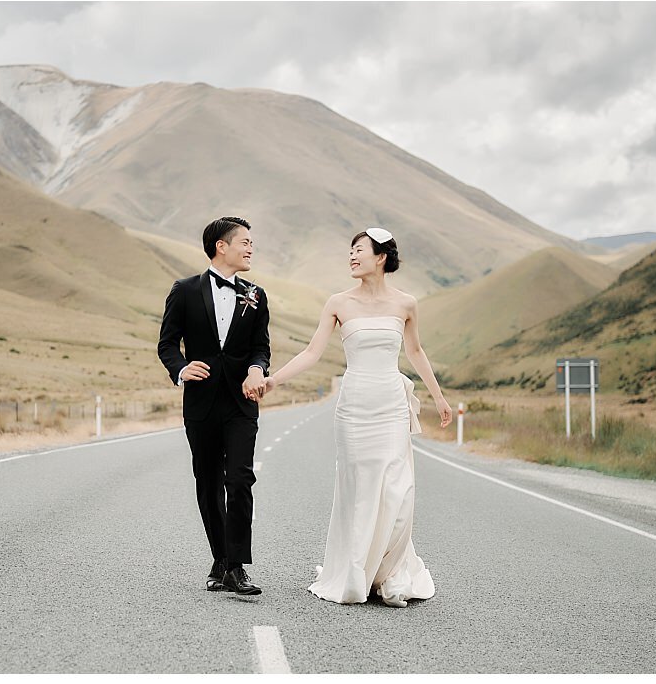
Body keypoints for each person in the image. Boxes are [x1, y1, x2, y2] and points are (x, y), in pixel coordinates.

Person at [263, 227, 454, 608]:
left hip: (390, 406)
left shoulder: (406, 304)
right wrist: (273, 381)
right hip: (354, 408)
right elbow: (312, 352)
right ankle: (355, 572)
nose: (352, 256)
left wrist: (438, 396)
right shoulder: (338, 302)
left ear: (381, 257)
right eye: (350, 250)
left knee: (399, 491)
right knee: (359, 491)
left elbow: (416, 353)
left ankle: (392, 574)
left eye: (359, 250)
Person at [157, 216, 273, 596]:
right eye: (245, 242)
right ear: (221, 246)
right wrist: (180, 368)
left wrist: (257, 368)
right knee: (208, 484)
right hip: (201, 404)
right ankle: (220, 559)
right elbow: (168, 344)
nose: (251, 248)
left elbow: (261, 347)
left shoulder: (256, 295)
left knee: (239, 480)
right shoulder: (185, 290)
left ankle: (237, 567)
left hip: (242, 403)